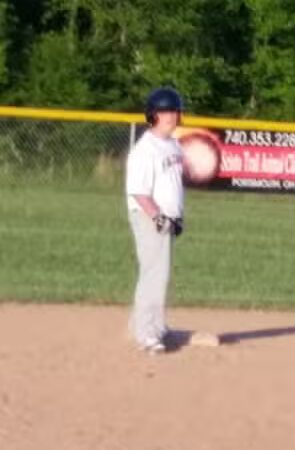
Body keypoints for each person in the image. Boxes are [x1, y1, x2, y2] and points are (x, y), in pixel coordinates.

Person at [125, 87, 185, 354]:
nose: (171, 115)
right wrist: (158, 218)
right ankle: (146, 333)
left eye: (174, 110)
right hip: (150, 218)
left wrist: (176, 217)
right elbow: (138, 191)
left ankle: (156, 325)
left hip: (167, 218)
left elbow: (172, 185)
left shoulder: (173, 144)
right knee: (153, 273)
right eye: (164, 111)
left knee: (161, 274)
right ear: (153, 115)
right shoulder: (145, 149)